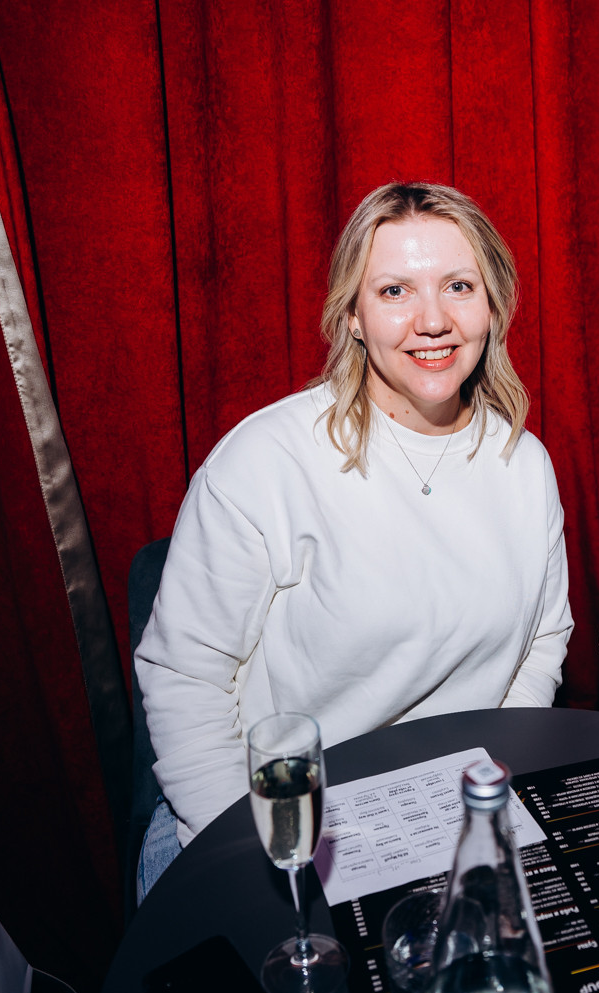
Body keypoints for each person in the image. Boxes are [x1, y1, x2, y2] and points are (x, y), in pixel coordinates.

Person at [134, 182, 573, 899]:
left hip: (442, 817)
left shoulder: (523, 462)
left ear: (493, 306)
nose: (433, 320)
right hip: (267, 819)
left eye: (459, 286)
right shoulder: (266, 460)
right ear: (353, 316)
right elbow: (185, 678)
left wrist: (483, 782)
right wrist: (261, 849)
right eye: (395, 291)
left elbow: (543, 640)